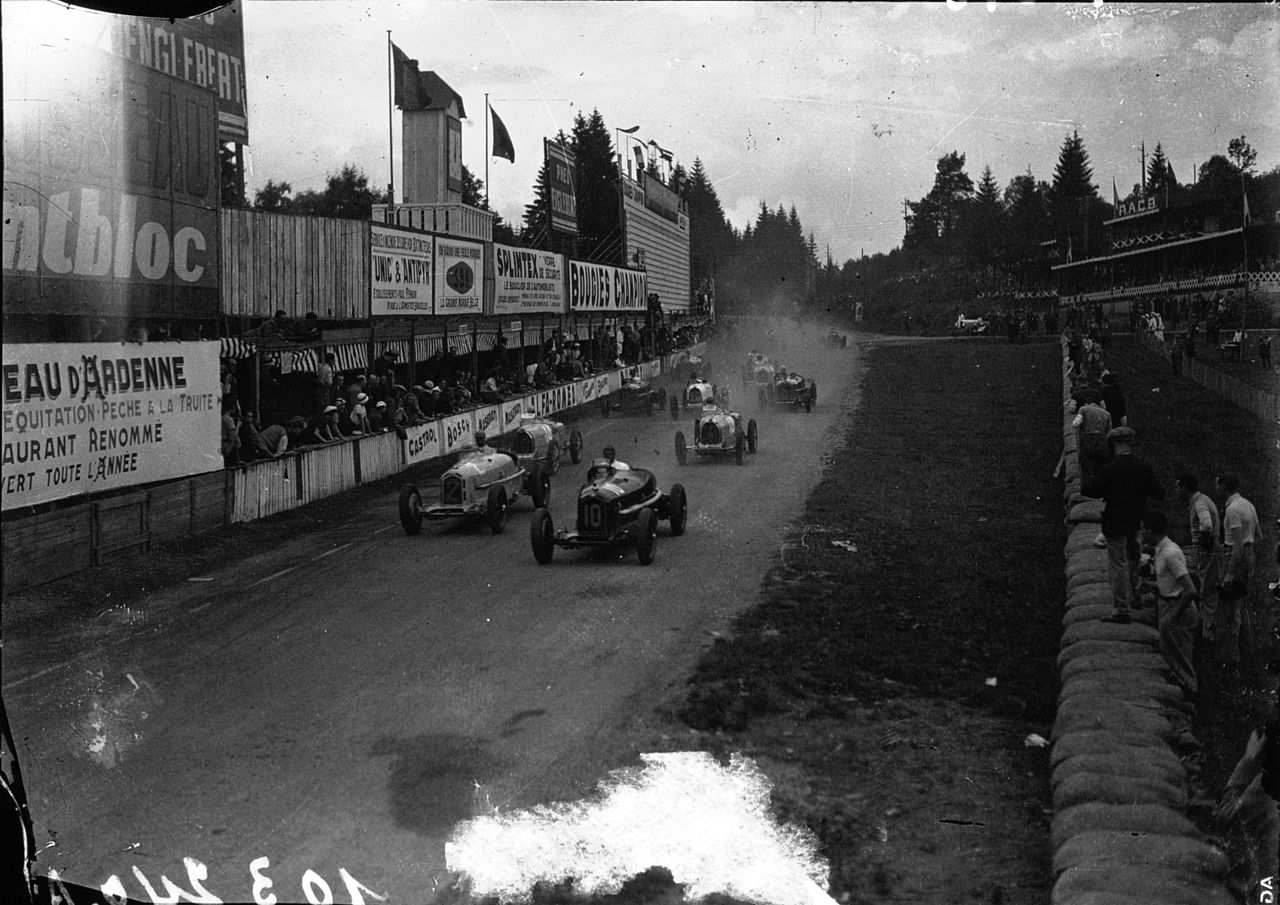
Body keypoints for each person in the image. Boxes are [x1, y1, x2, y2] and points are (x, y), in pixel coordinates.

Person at [1082, 426, 1166, 623]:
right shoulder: (1143, 467)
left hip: (1114, 522)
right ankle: (1135, 595)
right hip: (1136, 521)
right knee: (1134, 558)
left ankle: (1121, 608)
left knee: (1118, 564)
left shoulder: (1110, 468)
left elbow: (1090, 490)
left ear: (1115, 444)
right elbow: (1159, 494)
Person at [1141, 510, 1200, 696]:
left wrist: (1172, 617)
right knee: (1171, 655)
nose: (1141, 533)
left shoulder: (1170, 553)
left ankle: (1189, 696)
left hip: (1179, 608)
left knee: (1182, 658)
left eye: (1143, 530)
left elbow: (1190, 590)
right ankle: (1178, 697)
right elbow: (1168, 582)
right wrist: (1149, 585)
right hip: (1168, 603)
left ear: (1151, 531)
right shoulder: (1160, 550)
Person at [1217, 473, 1261, 667]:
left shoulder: (1233, 510)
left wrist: (1230, 573)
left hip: (1236, 556)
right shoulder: (1248, 505)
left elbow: (1237, 546)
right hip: (1249, 554)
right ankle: (1247, 650)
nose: (1216, 488)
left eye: (1218, 485)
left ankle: (1232, 656)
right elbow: (1258, 535)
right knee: (1241, 606)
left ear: (1224, 487)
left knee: (1232, 608)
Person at [1177, 473, 1222, 644]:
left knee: (1208, 589)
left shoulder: (1200, 503)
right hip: (1206, 549)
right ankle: (1205, 629)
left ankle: (1209, 636)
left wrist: (1205, 542)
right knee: (1205, 586)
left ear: (1185, 488)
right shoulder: (1199, 500)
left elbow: (1207, 523)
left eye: (1178, 486)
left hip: (1207, 549)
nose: (1177, 490)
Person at [1072, 388, 1113, 486]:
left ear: (1087, 403)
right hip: (1102, 441)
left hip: (1088, 439)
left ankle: (1087, 489)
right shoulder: (1106, 413)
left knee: (1086, 465)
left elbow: (1076, 424)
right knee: (1100, 465)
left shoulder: (1083, 409)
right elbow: (1110, 431)